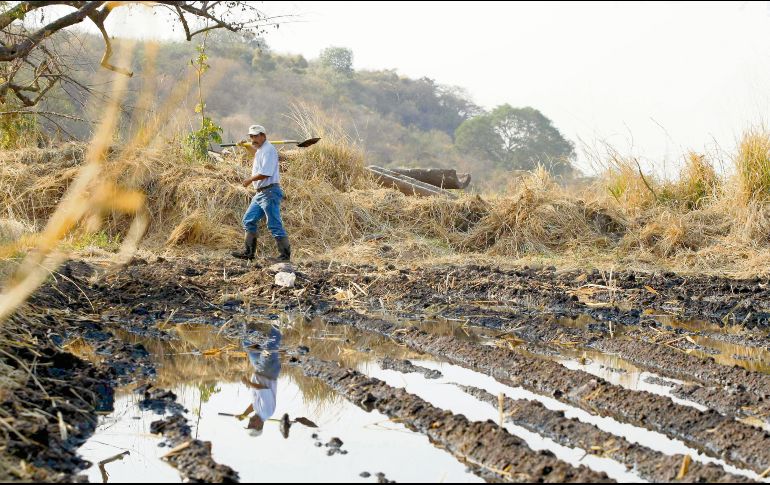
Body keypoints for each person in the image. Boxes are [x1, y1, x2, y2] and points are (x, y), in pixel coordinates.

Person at [232, 124, 291, 262]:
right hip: (261, 193)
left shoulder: (269, 150)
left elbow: (266, 172)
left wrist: (248, 180)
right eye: (251, 136)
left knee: (274, 224)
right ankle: (248, 253)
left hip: (269, 192)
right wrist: (246, 146)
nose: (253, 139)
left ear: (263, 136)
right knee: (248, 220)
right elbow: (256, 155)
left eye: (256, 136)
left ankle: (284, 256)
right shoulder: (261, 150)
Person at [237, 326, 282, 437]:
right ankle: (275, 325)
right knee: (268, 350)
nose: (249, 422)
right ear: (258, 426)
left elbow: (253, 405)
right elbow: (263, 389)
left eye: (248, 423)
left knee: (250, 346)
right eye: (251, 424)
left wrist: (244, 414)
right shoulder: (266, 412)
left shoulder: (259, 412)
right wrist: (249, 383)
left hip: (259, 368)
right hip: (268, 370)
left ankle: (254, 325)